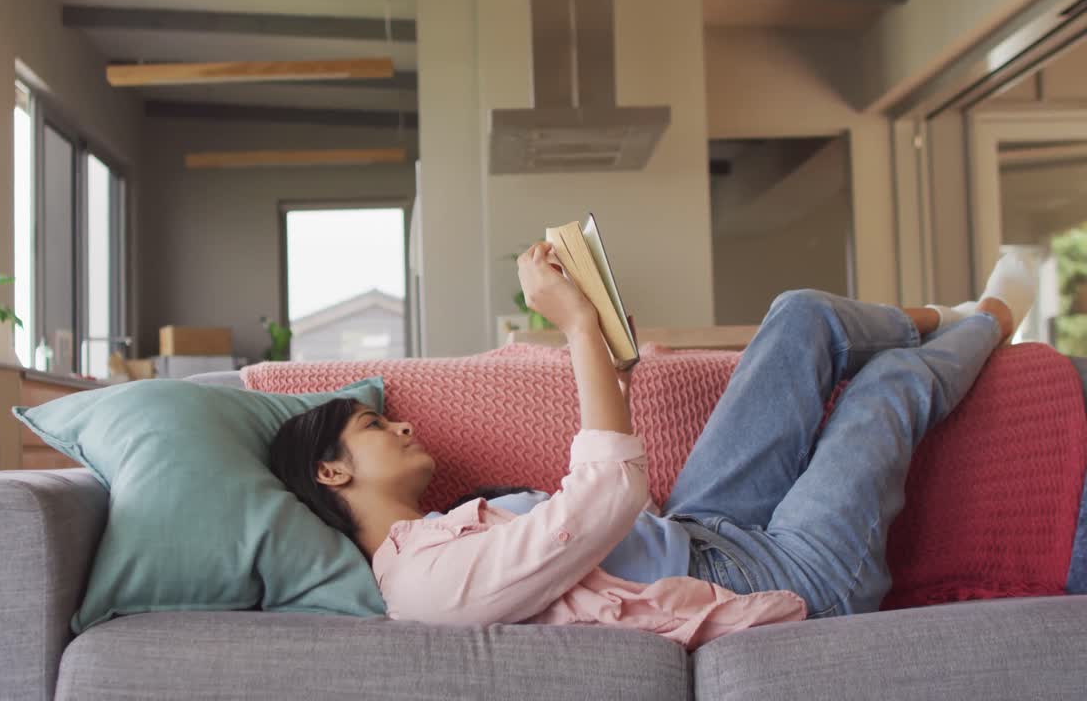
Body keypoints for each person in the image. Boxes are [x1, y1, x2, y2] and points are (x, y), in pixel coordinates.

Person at [268, 242, 1037, 628]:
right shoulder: (423, 587)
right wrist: (571, 330)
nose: (399, 422)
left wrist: (609, 360)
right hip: (780, 579)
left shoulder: (443, 530)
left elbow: (606, 507)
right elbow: (605, 490)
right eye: (373, 425)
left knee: (800, 317)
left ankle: (952, 316)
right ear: (332, 474)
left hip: (698, 524)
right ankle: (1000, 318)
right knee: (879, 394)